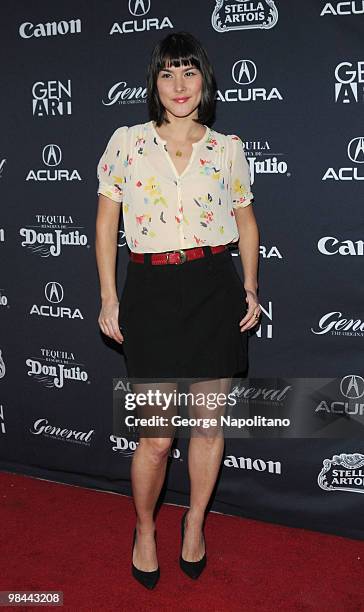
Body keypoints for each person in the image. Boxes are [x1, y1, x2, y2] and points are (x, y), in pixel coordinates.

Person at [95, 31, 260, 589]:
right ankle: (145, 528)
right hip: (152, 290)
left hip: (215, 287)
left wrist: (252, 287)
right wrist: (109, 295)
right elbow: (106, 223)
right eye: (168, 73)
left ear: (204, 79)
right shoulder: (128, 142)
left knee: (209, 428)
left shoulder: (227, 147)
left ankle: (194, 522)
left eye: (189, 72)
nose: (180, 84)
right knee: (158, 437)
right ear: (155, 82)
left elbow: (245, 220)